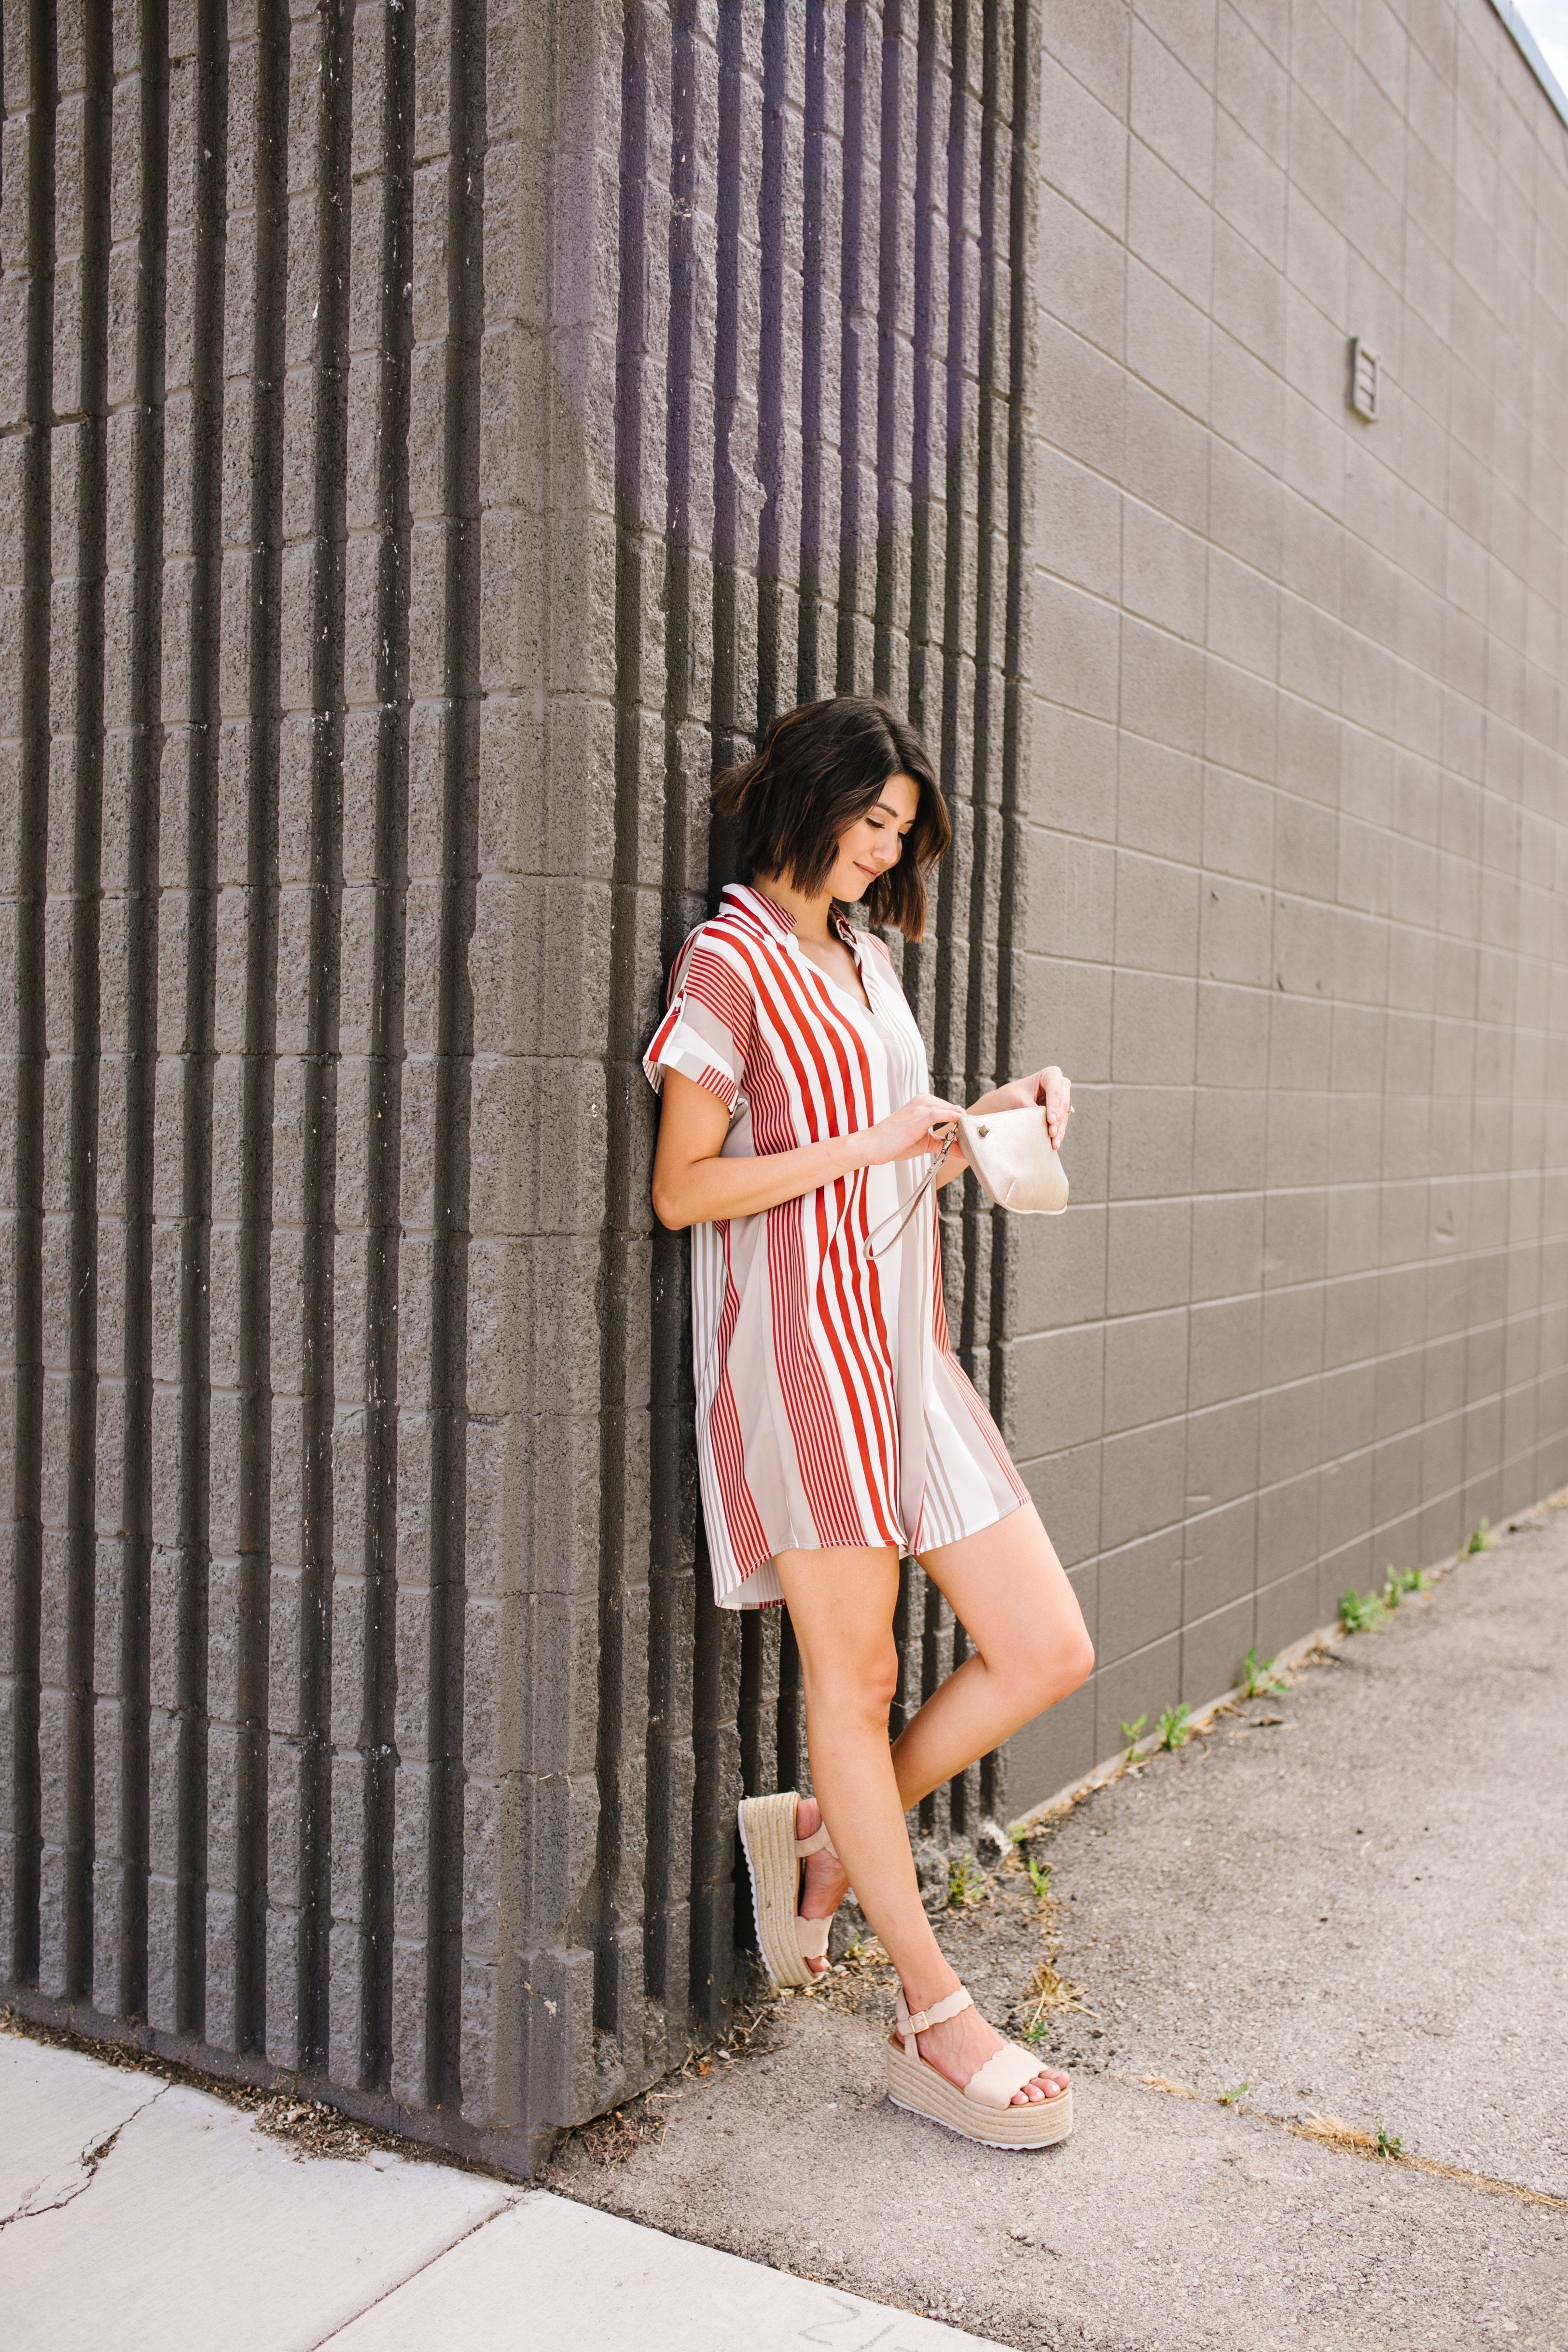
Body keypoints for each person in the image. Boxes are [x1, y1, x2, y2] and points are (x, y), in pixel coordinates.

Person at [646, 694, 1094, 2149]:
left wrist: (984, 1119)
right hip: (799, 1360)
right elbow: (684, 1187)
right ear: (809, 792)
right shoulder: (730, 960)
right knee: (850, 1680)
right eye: (870, 819)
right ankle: (927, 2011)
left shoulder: (871, 957)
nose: (880, 849)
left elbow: (894, 1150)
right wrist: (864, 1142)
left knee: (1044, 1646)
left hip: (906, 1349)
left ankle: (839, 1832)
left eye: (901, 831)